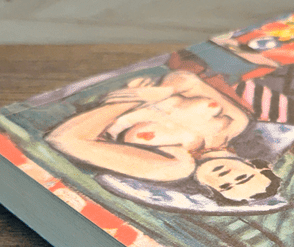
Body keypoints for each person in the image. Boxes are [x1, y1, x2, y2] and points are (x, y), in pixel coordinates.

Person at [45, 69, 281, 205]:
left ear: (210, 190)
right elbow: (185, 79)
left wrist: (134, 98)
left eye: (225, 187)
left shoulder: (173, 166)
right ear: (255, 165)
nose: (227, 177)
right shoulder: (237, 123)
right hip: (141, 65)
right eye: (242, 177)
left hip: (76, 89)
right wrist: (164, 91)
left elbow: (65, 139)